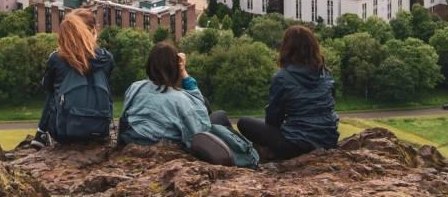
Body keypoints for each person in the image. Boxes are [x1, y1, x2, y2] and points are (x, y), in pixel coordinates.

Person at [213, 25, 338, 161]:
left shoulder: (283, 77)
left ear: (287, 49)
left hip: (296, 145)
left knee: (244, 123)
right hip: (328, 141)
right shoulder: (325, 74)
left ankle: (259, 153)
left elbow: (273, 119)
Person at [118, 42, 234, 165]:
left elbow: (124, 119)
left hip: (133, 138)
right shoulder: (180, 100)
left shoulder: (135, 87)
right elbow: (200, 128)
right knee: (220, 116)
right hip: (164, 145)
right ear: (174, 67)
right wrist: (183, 72)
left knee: (211, 109)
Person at [34, 9, 114, 146]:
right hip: (99, 129)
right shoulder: (107, 58)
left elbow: (47, 87)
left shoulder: (57, 59)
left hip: (65, 133)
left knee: (53, 93)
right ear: (93, 30)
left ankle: (41, 133)